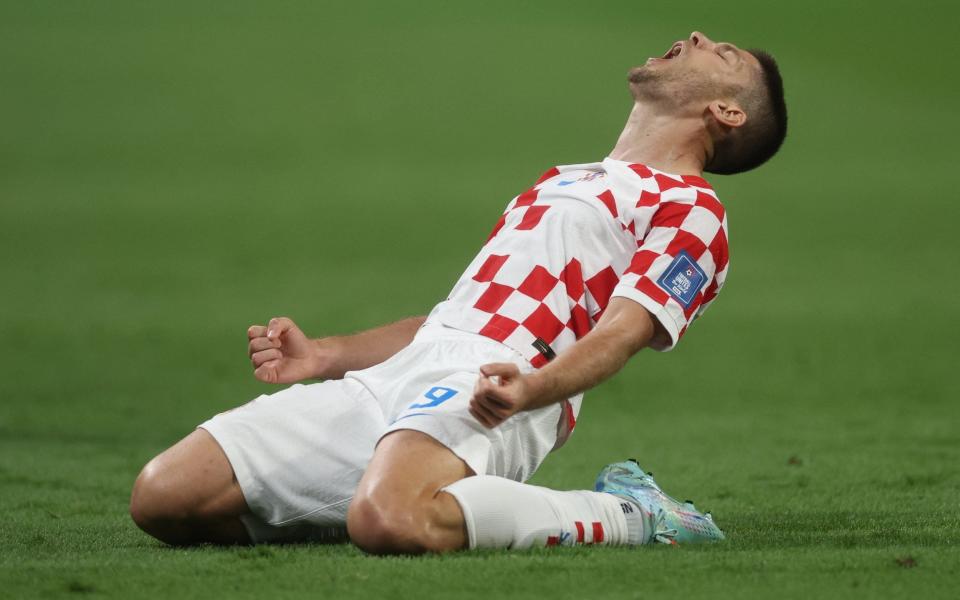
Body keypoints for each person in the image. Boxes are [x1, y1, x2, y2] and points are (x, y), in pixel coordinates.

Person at [129, 31, 787, 553]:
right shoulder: (564, 179)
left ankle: (630, 514)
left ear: (726, 112)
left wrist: (535, 390)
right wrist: (328, 355)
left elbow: (622, 331)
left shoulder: (693, 208)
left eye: (721, 52)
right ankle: (397, 500)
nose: (697, 34)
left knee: (390, 521)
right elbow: (462, 316)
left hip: (506, 382)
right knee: (163, 497)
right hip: (407, 372)